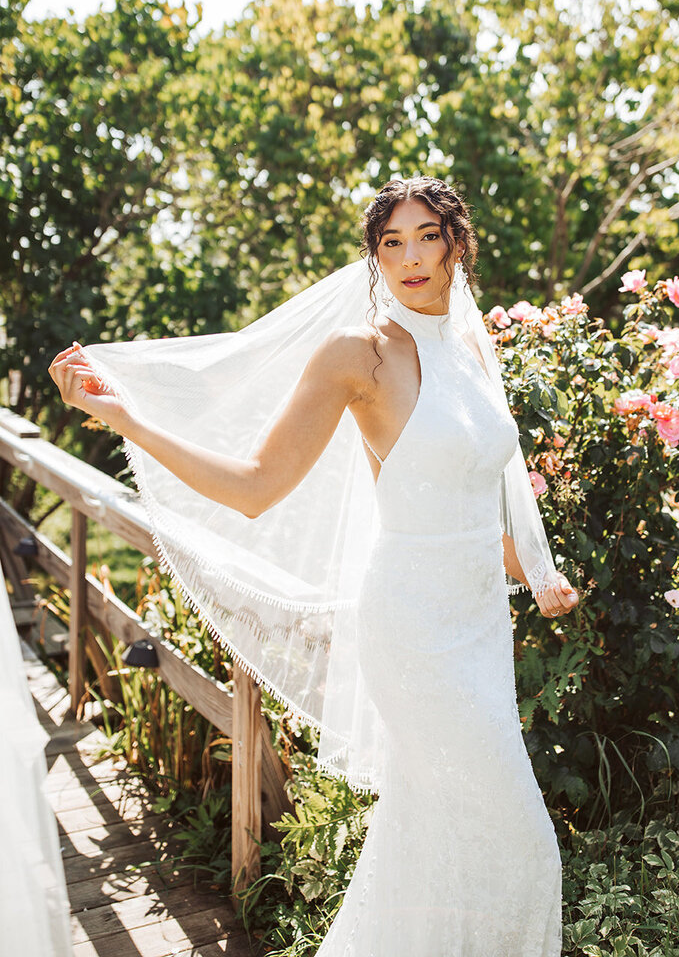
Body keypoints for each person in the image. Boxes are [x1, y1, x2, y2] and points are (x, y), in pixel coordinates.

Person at [49, 175, 579, 956]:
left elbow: (465, 500)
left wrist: (535, 570)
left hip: (479, 626)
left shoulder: (470, 346)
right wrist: (126, 418)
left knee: (437, 839)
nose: (410, 258)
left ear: (457, 246)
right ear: (374, 257)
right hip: (411, 628)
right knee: (520, 842)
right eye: (391, 243)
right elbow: (255, 486)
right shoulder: (359, 354)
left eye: (426, 237)